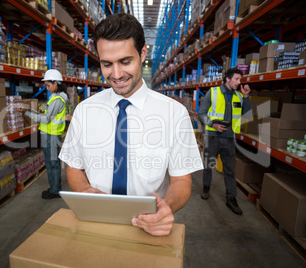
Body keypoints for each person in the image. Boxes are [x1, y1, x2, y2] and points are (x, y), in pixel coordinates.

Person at [59, 13, 203, 236]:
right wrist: (85, 190)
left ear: (143, 52)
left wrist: (168, 206)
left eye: (126, 62)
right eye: (107, 64)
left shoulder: (174, 114)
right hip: (95, 223)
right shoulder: (85, 111)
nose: (116, 74)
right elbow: (74, 167)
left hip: (149, 227)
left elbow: (182, 179)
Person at [197, 68, 252, 215]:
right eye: (236, 79)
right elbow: (201, 113)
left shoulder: (239, 97)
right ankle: (206, 187)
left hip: (229, 139)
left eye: (240, 80)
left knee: (229, 170)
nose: (239, 83)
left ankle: (231, 198)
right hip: (213, 137)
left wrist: (246, 97)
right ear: (227, 79)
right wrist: (212, 124)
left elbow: (247, 116)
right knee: (208, 165)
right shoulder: (213, 92)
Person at [19, 69, 68, 199]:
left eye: (48, 85)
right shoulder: (55, 97)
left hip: (51, 135)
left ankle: (55, 190)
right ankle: (54, 187)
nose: (47, 88)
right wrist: (30, 110)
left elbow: (46, 119)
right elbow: (47, 115)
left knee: (52, 162)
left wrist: (27, 114)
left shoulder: (57, 99)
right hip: (49, 134)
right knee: (51, 162)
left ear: (56, 83)